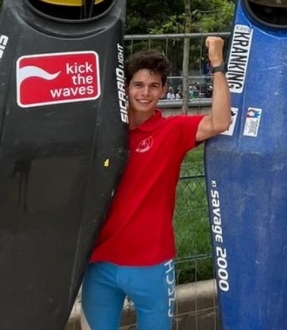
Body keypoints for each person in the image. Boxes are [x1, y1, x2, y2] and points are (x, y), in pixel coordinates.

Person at [80, 37, 232, 329]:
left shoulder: (172, 130)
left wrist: (217, 64)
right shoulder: (104, 133)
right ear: (126, 88)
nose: (145, 92)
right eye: (138, 84)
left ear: (163, 90)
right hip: (99, 261)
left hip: (152, 264)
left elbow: (220, 121)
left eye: (153, 86)